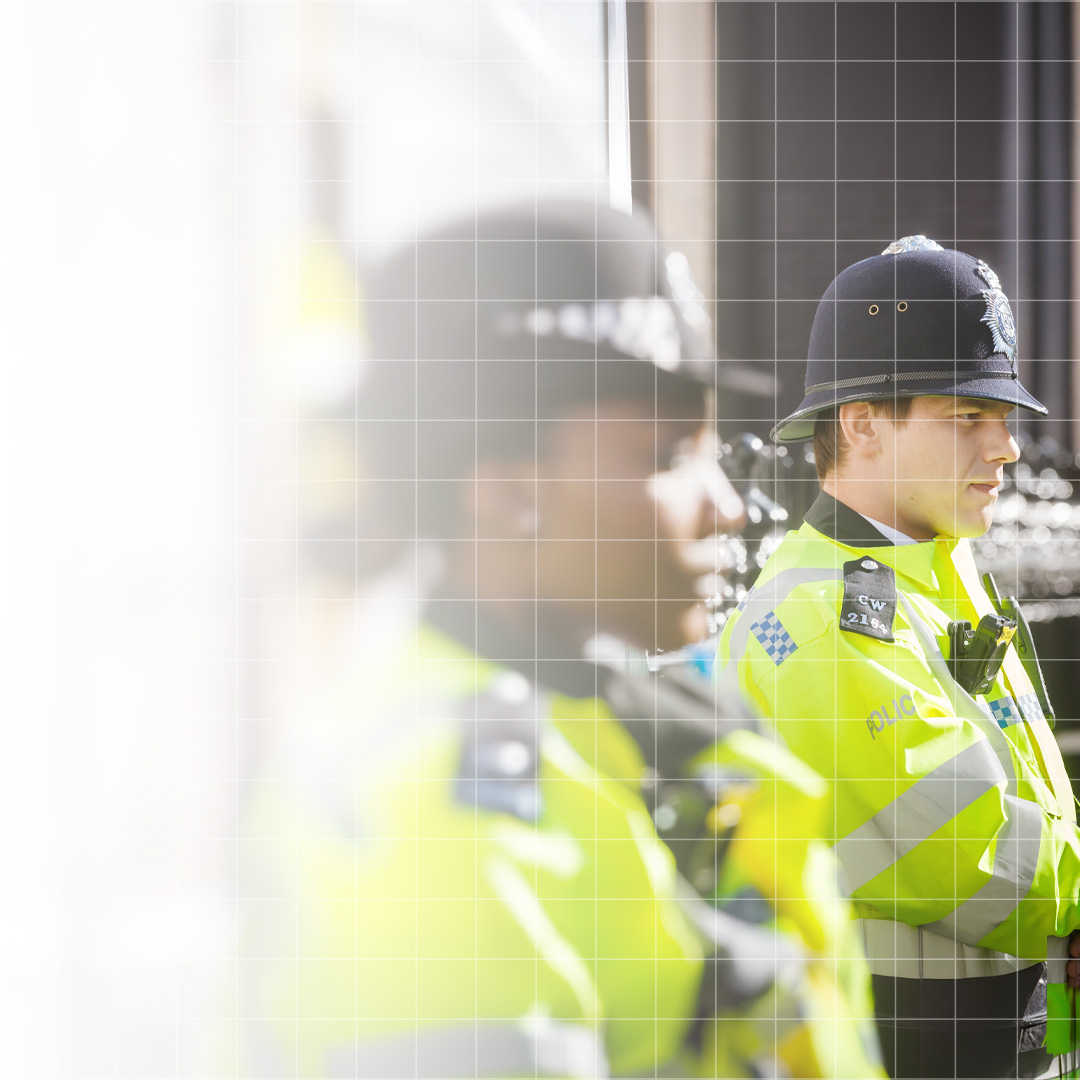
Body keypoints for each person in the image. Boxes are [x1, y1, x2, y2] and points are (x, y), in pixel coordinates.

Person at [238, 199, 884, 1078]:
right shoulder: (428, 819)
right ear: (501, 491)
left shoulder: (656, 722)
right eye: (664, 453)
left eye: (711, 447)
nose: (727, 505)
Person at [717, 235, 1080, 1078]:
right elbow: (974, 858)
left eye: (1004, 419)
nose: (1007, 448)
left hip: (1002, 1033)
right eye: (967, 418)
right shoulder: (827, 616)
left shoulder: (934, 567)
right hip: (924, 1048)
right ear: (863, 425)